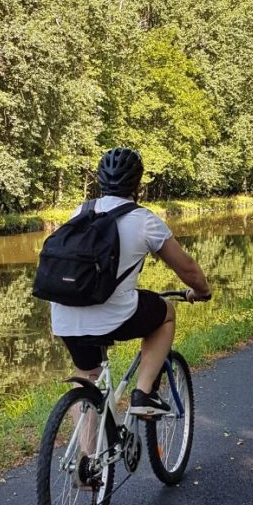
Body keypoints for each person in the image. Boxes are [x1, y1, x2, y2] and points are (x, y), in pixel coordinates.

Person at [50, 147, 211, 417]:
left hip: (64, 313)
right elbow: (189, 270)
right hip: (112, 314)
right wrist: (202, 291)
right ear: (138, 184)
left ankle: (87, 458)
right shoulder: (144, 220)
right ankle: (143, 394)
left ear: (101, 181)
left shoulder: (81, 211)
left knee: (87, 376)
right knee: (166, 313)